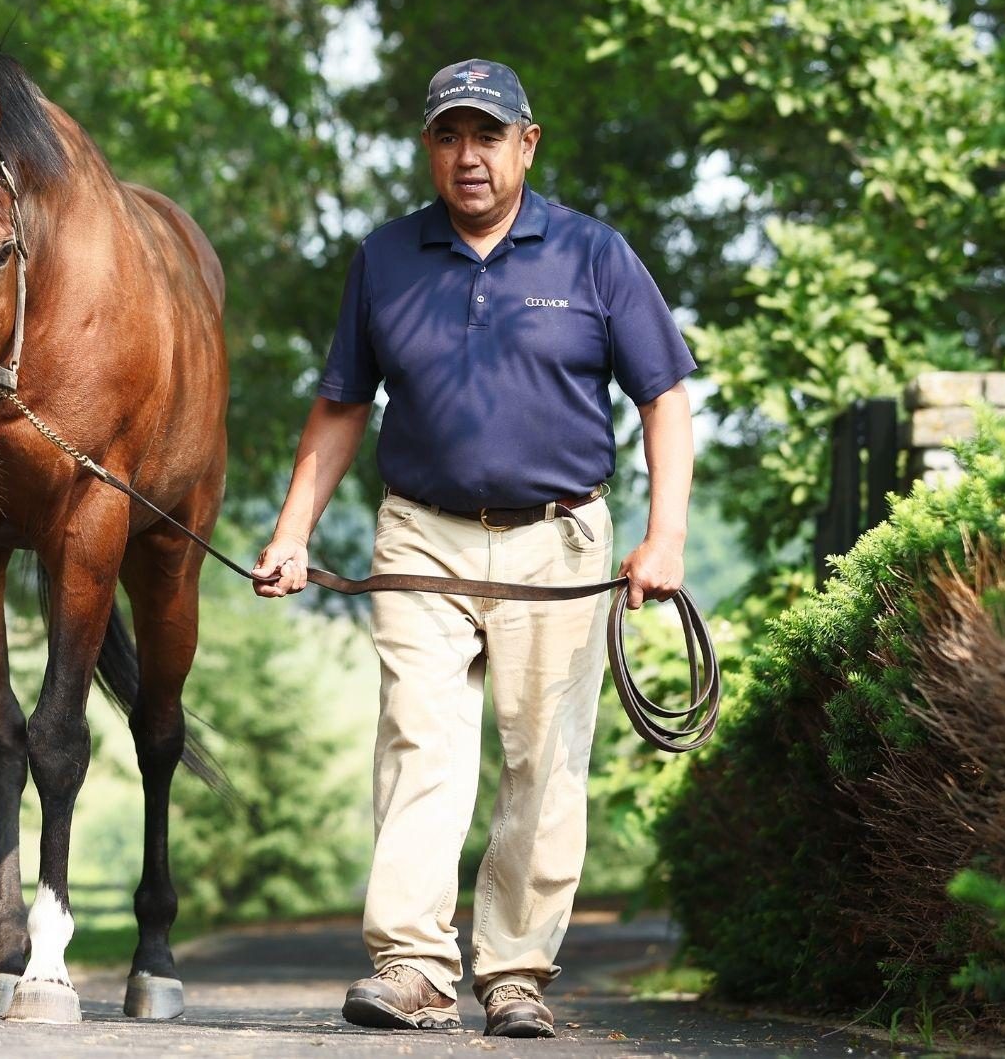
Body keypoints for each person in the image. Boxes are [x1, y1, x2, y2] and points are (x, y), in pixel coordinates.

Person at [251, 58, 695, 1038]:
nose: (470, 156)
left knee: (544, 756)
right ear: (429, 148)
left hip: (562, 538)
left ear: (526, 143)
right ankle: (413, 963)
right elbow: (339, 407)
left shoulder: (594, 254)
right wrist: (292, 533)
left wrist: (664, 536)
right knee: (421, 739)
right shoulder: (385, 257)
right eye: (450, 136)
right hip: (421, 532)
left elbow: (664, 397)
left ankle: (514, 968)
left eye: (487, 136)